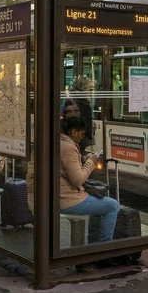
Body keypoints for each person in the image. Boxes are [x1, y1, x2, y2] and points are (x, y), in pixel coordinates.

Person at [59, 115, 119, 243]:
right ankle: (104, 247)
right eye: (81, 133)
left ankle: (93, 244)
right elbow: (77, 180)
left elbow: (66, 166)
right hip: (67, 199)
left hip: (59, 196)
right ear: (73, 132)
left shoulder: (59, 142)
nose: (82, 137)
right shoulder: (68, 147)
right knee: (112, 206)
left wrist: (82, 160)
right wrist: (91, 162)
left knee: (99, 201)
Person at [72, 76, 96, 152]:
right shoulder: (83, 102)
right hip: (81, 136)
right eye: (90, 89)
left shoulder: (77, 99)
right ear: (83, 88)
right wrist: (88, 133)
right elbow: (85, 120)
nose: (91, 92)